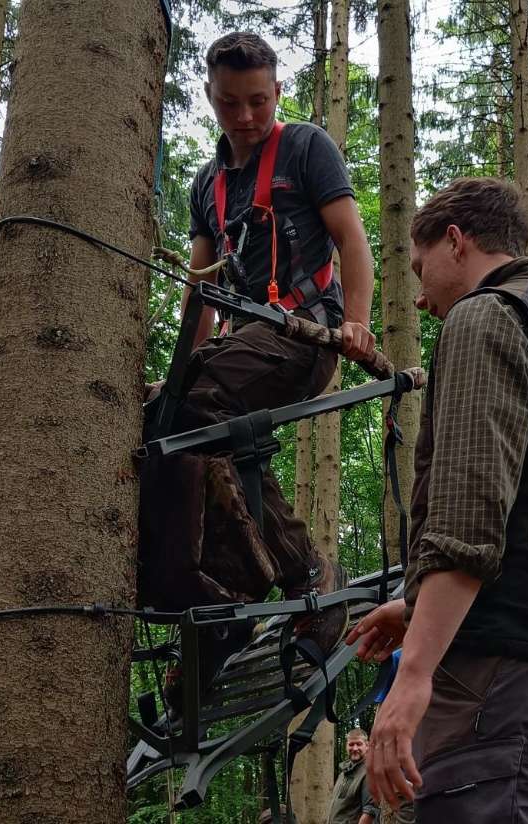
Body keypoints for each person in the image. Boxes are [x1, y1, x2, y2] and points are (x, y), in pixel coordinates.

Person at [346, 177, 528, 822]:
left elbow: (469, 520)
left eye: (418, 266)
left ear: (455, 242)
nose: (419, 293)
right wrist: (414, 605)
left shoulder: (484, 316)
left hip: (499, 677)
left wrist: (413, 676)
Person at [137, 32, 376, 665]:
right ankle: (216, 594)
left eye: (258, 102)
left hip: (305, 335)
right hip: (239, 347)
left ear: (277, 93)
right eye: (229, 103)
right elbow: (201, 289)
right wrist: (176, 370)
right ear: (210, 96)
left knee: (196, 410)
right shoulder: (207, 183)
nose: (245, 117)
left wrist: (354, 323)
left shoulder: (305, 148)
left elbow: (352, 239)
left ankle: (306, 572)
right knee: (163, 419)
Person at [328, 728, 378, 824]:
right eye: (351, 744)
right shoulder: (343, 773)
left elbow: (370, 811)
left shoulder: (369, 772)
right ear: (346, 746)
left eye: (359, 744)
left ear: (367, 746)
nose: (355, 748)